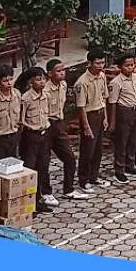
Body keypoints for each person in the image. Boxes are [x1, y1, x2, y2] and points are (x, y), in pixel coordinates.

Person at [45, 59, 90, 200]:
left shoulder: (63, 85)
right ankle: (46, 193)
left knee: (70, 158)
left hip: (59, 124)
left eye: (63, 70)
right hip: (47, 125)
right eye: (58, 71)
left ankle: (68, 189)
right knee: (44, 161)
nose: (62, 73)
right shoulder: (45, 90)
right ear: (50, 73)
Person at [17, 67, 54, 213]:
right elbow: (21, 120)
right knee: (30, 169)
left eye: (43, 79)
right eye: (38, 79)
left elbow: (48, 113)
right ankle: (29, 203)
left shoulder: (46, 95)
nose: (42, 82)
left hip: (44, 134)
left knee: (43, 167)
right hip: (31, 136)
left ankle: (39, 199)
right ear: (31, 82)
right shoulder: (25, 98)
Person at [75, 50, 111, 192]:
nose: (101, 66)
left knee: (98, 150)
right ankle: (83, 180)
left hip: (100, 114)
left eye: (102, 62)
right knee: (87, 150)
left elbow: (104, 98)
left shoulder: (102, 76)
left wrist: (106, 117)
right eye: (97, 63)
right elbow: (81, 107)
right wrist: (86, 126)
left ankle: (94, 177)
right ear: (89, 63)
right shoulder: (82, 82)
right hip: (89, 116)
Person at [108, 53, 136, 183]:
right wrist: (112, 122)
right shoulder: (116, 82)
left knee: (133, 140)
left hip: (135, 110)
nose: (130, 68)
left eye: (132, 65)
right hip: (124, 112)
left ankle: (130, 164)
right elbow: (112, 103)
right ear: (120, 67)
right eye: (127, 65)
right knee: (122, 142)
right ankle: (119, 169)